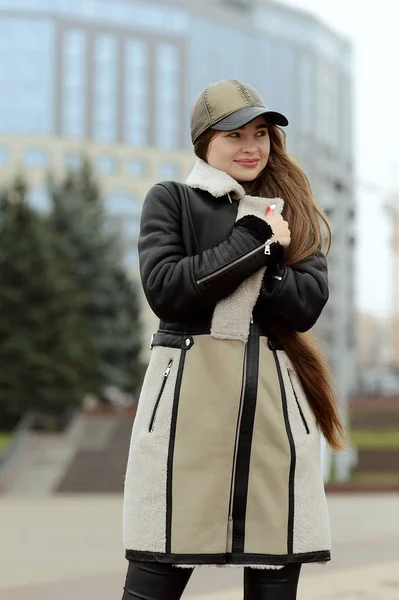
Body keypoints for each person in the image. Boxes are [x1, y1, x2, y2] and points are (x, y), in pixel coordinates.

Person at [121, 79, 344, 600]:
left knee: (274, 575)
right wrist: (256, 240)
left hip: (272, 421)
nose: (251, 147)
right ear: (205, 143)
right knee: (154, 576)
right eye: (235, 135)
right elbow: (168, 291)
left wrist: (265, 263)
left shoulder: (292, 211)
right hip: (185, 421)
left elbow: (306, 304)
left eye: (260, 134)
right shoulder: (171, 200)